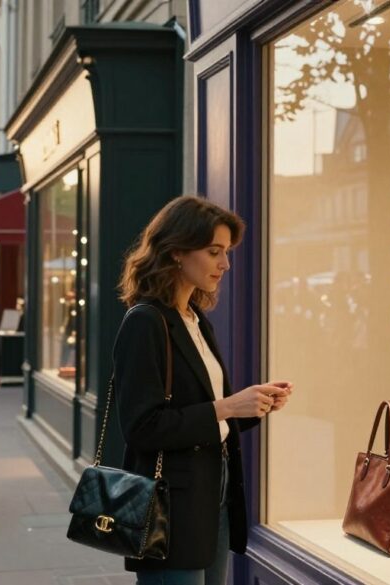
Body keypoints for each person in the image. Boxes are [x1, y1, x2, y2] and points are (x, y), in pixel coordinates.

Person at [114, 195, 293, 585]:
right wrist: (226, 407)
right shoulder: (145, 322)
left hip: (215, 494)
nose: (225, 264)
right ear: (177, 251)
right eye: (214, 252)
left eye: (226, 252)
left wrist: (252, 405)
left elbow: (206, 413)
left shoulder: (196, 320)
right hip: (170, 506)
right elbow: (141, 428)